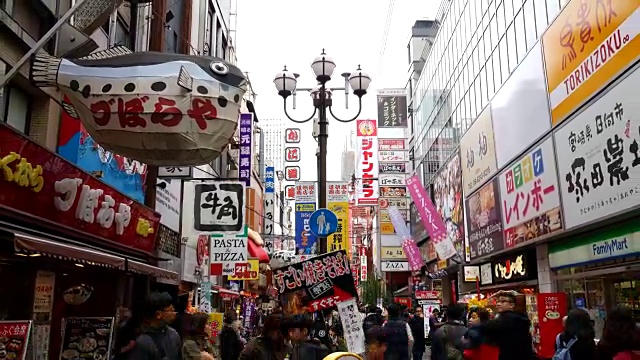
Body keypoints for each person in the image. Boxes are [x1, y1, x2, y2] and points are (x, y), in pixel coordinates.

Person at [127, 292, 182, 360]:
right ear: (158, 314)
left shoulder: (174, 335)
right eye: (170, 310)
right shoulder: (143, 342)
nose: (174, 313)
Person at [483, 291, 534, 360]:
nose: (498, 304)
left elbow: (487, 330)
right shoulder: (520, 318)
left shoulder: (507, 318)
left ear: (511, 305)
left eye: (502, 302)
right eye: (497, 302)